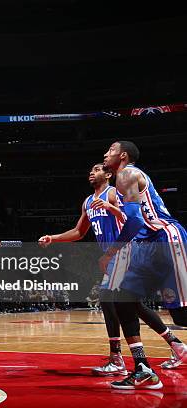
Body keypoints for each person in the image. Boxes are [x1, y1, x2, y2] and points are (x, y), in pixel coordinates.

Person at [39, 163, 185, 376]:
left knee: (109, 299)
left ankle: (118, 358)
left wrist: (111, 208)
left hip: (126, 251)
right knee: (131, 305)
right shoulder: (88, 202)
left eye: (97, 169)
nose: (92, 172)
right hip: (111, 258)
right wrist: (54, 238)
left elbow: (134, 220)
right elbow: (80, 232)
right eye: (90, 170)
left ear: (108, 174)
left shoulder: (115, 192)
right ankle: (176, 345)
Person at [101, 141, 187, 390]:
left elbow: (137, 220)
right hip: (147, 244)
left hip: (165, 239)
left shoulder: (127, 173)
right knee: (122, 298)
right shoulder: (120, 181)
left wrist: (111, 252)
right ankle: (143, 368)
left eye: (111, 150)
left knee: (181, 313)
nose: (106, 154)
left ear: (123, 156)